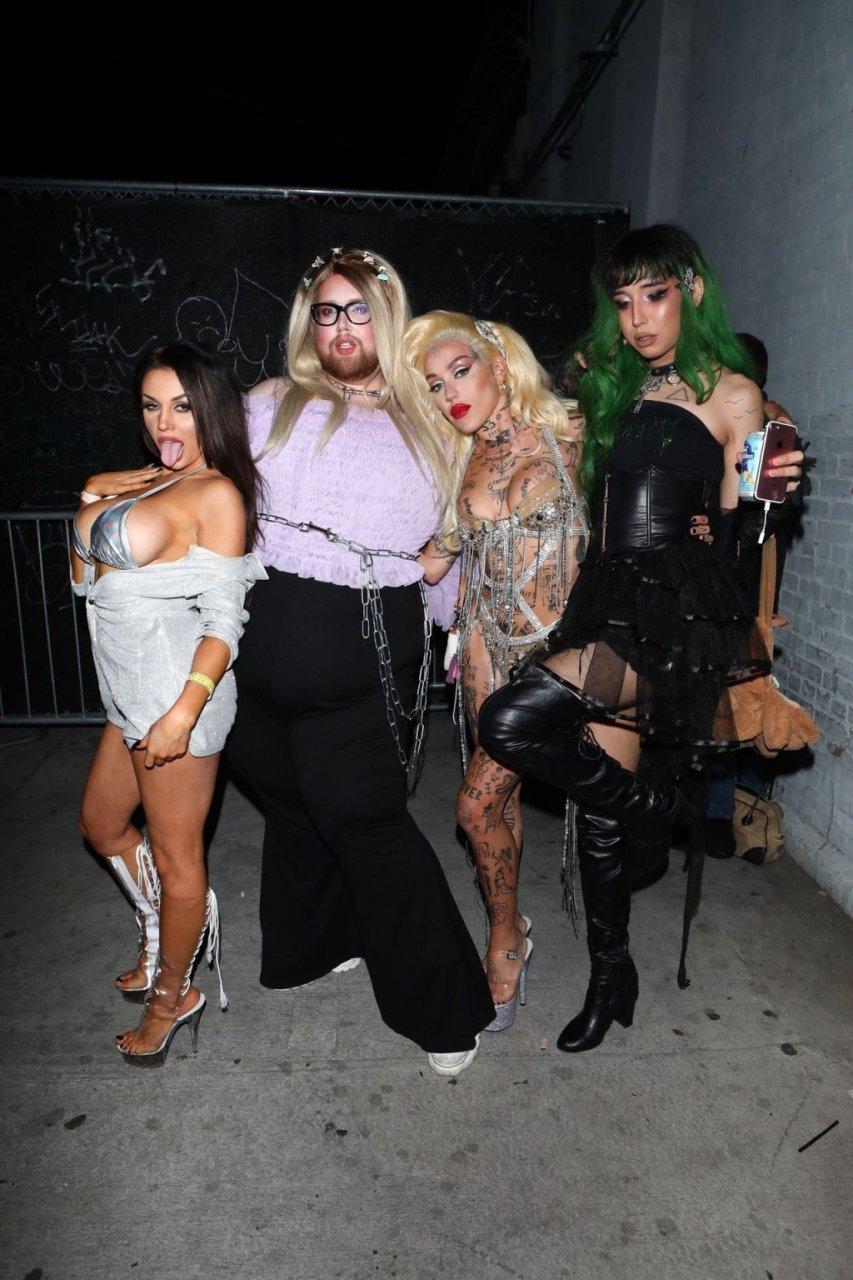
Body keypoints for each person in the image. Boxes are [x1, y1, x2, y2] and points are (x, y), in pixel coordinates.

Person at [475, 223, 804, 1053]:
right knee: (597, 810)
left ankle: (662, 808)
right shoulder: (617, 387)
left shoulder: (733, 394)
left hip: (670, 610)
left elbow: (738, 536)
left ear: (691, 291)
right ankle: (609, 974)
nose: (637, 318)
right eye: (622, 303)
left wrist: (770, 497)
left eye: (652, 296)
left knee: (509, 720)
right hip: (605, 595)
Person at [224, 248, 495, 1077]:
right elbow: (202, 488)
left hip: (365, 645)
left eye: (357, 310)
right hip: (254, 642)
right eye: (326, 311)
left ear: (387, 317)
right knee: (288, 798)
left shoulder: (432, 423)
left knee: (361, 818)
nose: (341, 326)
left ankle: (445, 1008)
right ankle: (317, 942)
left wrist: (466, 641)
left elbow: (457, 545)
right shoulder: (266, 403)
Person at [72, 341, 267, 1064]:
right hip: (128, 695)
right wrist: (94, 495)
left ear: (210, 409)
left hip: (176, 698)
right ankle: (161, 933)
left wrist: (183, 712)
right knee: (101, 825)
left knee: (180, 860)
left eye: (182, 406)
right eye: (152, 406)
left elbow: (225, 621)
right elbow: (85, 585)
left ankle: (172, 995)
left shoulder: (216, 494)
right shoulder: (146, 483)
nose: (164, 422)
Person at [399, 310, 591, 1031]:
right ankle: (507, 926)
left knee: (472, 807)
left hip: (557, 657)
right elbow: (431, 562)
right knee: (499, 806)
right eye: (434, 384)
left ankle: (506, 941)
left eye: (460, 371)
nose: (449, 392)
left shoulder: (573, 434)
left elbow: (671, 454)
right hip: (485, 648)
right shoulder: (455, 463)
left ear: (499, 365)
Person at [702, 331, 806, 858]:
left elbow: (764, 517)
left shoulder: (769, 432)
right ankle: (709, 814)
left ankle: (718, 818)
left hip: (736, 592)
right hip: (720, 586)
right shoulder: (749, 421)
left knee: (729, 702)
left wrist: (719, 527)